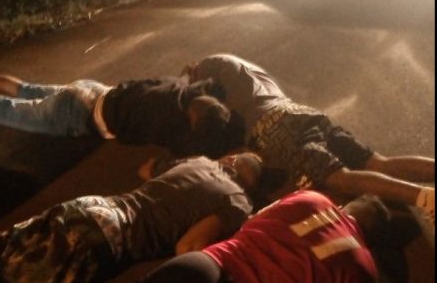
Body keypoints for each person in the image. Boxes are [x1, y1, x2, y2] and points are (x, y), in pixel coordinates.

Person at [0, 153, 264, 283]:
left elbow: (146, 170)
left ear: (231, 159)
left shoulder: (199, 161)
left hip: (88, 207)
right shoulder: (237, 202)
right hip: (100, 240)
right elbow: (189, 246)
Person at [182, 53, 435, 225]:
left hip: (274, 128)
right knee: (378, 164)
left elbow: (204, 111)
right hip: (298, 112)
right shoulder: (237, 66)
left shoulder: (205, 69)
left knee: (339, 179)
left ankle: (427, 199)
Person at [0, 59, 243, 158]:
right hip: (77, 114)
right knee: (5, 109)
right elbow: (181, 150)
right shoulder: (168, 122)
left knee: (24, 89)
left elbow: (202, 85)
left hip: (93, 89)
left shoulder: (179, 88)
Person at [141, 189, 390, 283]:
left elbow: (252, 221)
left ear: (346, 206)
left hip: (208, 264)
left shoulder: (312, 198)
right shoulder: (364, 268)